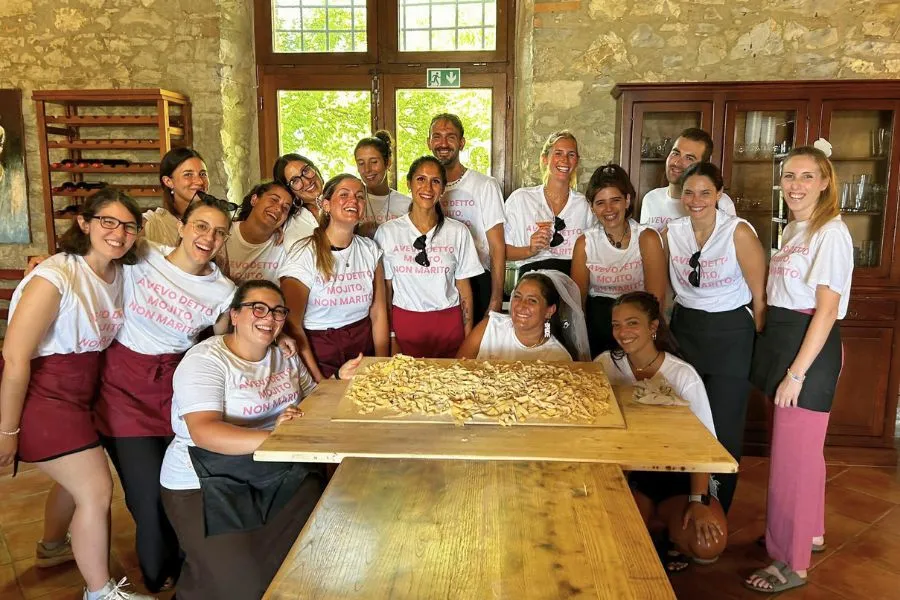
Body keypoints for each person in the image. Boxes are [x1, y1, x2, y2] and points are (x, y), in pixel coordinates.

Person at [159, 280, 361, 600]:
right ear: (235, 315)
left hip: (273, 470)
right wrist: (276, 437)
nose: (269, 317)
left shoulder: (285, 354)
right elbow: (204, 431)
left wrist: (338, 380)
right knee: (241, 585)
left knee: (314, 554)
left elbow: (313, 399)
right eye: (258, 308)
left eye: (278, 311)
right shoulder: (205, 360)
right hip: (202, 480)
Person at [0, 189, 155, 599]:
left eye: (128, 225)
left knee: (74, 482)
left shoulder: (119, 272)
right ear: (84, 223)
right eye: (108, 221)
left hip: (81, 393)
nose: (118, 233)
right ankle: (99, 591)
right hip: (42, 394)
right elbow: (15, 358)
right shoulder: (54, 277)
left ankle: (53, 547)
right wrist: (7, 431)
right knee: (96, 490)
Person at [92, 195, 237, 593]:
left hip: (174, 390)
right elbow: (91, 260)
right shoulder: (142, 254)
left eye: (219, 232)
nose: (208, 237)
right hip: (121, 390)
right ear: (182, 226)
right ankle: (158, 572)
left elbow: (226, 343)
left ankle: (190, 565)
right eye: (201, 226)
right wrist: (49, 264)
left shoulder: (223, 290)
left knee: (182, 484)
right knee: (145, 496)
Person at [745, 143, 852, 594]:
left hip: (808, 347)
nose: (796, 185)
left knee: (792, 459)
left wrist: (796, 374)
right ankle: (807, 533)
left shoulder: (832, 232)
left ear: (825, 181)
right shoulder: (795, 229)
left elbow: (826, 310)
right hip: (787, 340)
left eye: (807, 176)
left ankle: (791, 562)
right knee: (804, 455)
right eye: (789, 176)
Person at [596, 292, 726, 573]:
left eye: (632, 323)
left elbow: (703, 445)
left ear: (653, 327)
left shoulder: (683, 375)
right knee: (619, 540)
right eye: (616, 324)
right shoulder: (605, 365)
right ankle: (655, 532)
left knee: (708, 545)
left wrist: (698, 500)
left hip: (676, 474)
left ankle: (669, 530)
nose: (623, 332)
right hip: (632, 475)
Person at [664, 161, 766, 515]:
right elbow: (666, 290)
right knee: (685, 419)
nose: (696, 200)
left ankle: (717, 509)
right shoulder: (672, 232)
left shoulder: (737, 232)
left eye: (706, 192)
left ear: (719, 195)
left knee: (723, 424)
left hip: (730, 333)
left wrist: (755, 343)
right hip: (685, 330)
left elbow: (760, 295)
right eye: (689, 192)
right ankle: (686, 505)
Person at [279, 174, 390, 381]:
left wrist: (381, 364)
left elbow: (378, 313)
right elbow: (292, 324)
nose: (353, 201)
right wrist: (320, 381)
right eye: (344, 195)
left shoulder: (370, 250)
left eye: (359, 196)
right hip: (320, 351)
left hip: (363, 348)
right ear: (326, 204)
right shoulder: (304, 253)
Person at [374, 156, 484, 358]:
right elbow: (386, 290)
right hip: (405, 325)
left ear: (443, 189)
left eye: (435, 181)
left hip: (448, 325)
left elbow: (464, 289)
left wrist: (468, 338)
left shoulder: (458, 231)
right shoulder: (388, 232)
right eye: (420, 179)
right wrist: (391, 336)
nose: (427, 187)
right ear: (409, 183)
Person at [571, 164, 667, 357]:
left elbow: (656, 299)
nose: (609, 209)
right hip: (598, 323)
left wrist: (650, 337)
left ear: (627, 200)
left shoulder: (647, 238)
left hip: (638, 322)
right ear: (592, 207)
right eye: (600, 203)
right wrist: (579, 344)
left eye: (615, 200)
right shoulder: (585, 243)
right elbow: (577, 302)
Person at [427, 113, 507, 318]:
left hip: (477, 280)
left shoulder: (485, 185)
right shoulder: (425, 189)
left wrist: (497, 298)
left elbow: (497, 247)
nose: (443, 143)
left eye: (450, 137)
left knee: (474, 349)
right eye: (437, 136)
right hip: (435, 280)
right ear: (429, 143)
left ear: (462, 143)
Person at [504, 130, 597, 276]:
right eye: (558, 153)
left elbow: (596, 252)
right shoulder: (521, 200)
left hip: (571, 279)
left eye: (571, 154)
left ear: (576, 161)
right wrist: (529, 250)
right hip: (531, 279)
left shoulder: (584, 205)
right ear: (545, 158)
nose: (565, 160)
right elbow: (499, 251)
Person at [456, 270, 589, 362]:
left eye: (532, 300)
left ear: (550, 310)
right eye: (517, 297)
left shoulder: (559, 356)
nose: (521, 305)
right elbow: (456, 369)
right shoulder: (489, 326)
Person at [640, 128, 737, 231]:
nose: (677, 163)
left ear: (702, 165)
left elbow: (730, 243)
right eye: (675, 153)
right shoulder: (651, 199)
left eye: (689, 158)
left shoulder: (721, 202)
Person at [221, 181, 293, 283]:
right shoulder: (224, 231)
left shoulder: (285, 245)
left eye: (285, 208)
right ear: (254, 200)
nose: (278, 209)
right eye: (274, 200)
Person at [145, 147, 210, 245]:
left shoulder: (215, 221)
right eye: (188, 174)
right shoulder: (153, 223)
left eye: (203, 174)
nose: (200, 181)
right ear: (168, 181)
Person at [354, 130, 410, 229]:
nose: (367, 169)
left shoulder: (407, 205)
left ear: (388, 162)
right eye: (361, 163)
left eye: (374, 162)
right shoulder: (352, 201)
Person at [275, 154, 325, 249]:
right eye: (295, 181)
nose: (306, 182)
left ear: (315, 169)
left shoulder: (344, 200)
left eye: (306, 171)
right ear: (289, 190)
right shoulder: (288, 221)